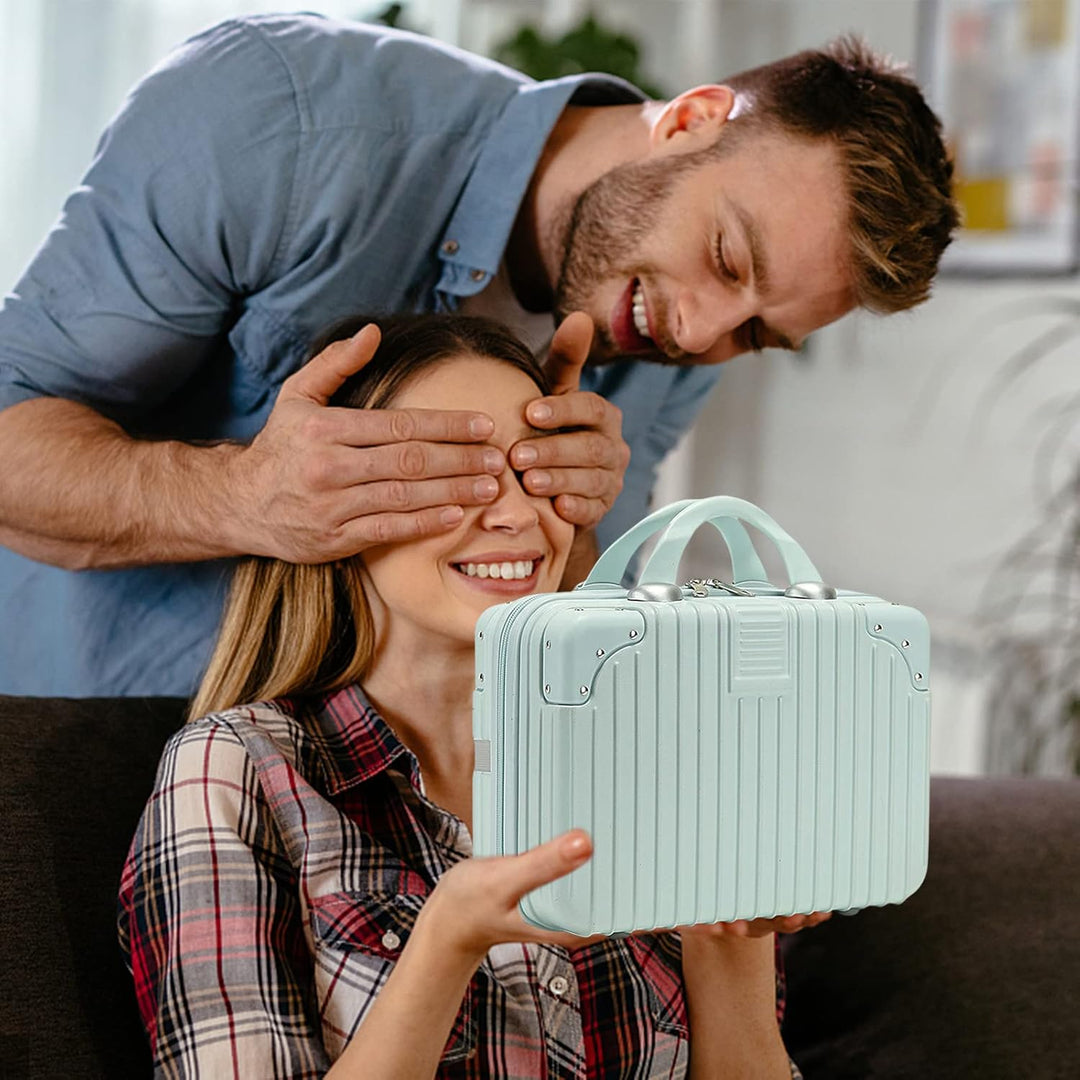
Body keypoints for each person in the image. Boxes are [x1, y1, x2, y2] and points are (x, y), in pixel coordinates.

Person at [0, 15, 958, 695]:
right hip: (55, 745)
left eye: (757, 334)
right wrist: (245, 500)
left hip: (336, 824)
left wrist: (574, 547)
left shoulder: (666, 343)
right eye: (725, 258)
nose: (702, 334)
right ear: (691, 118)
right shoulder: (281, 119)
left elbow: (540, 646)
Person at [118, 312, 829, 1078]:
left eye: (536, 474)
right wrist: (448, 939)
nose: (517, 515)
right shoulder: (238, 773)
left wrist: (732, 943)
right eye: (456, 476)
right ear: (333, 508)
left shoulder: (651, 761)